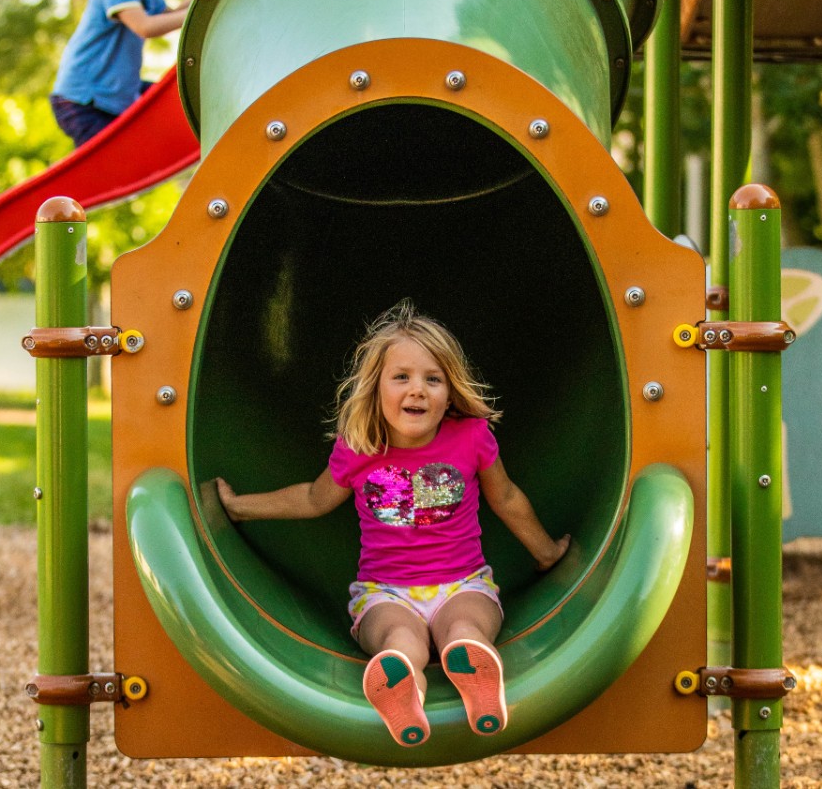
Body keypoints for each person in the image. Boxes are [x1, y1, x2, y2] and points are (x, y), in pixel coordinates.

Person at [212, 301, 570, 747]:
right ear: (376, 389)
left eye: (432, 379)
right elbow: (313, 498)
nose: (417, 390)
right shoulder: (360, 448)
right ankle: (404, 688)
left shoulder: (471, 436)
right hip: (385, 591)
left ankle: (474, 675)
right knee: (399, 638)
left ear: (450, 392)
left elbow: (507, 498)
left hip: (463, 583)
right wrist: (239, 507)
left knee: (464, 628)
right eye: (401, 377)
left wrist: (547, 551)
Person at [50, 0, 189, 147]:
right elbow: (145, 26)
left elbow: (174, 15)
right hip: (83, 99)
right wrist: (191, 14)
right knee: (106, 165)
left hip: (118, 94)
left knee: (173, 101)